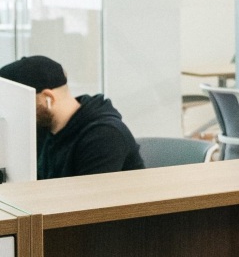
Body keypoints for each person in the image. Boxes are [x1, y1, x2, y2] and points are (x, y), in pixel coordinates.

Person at [0, 55, 144, 179]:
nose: (16, 111)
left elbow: (88, 205)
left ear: (47, 98)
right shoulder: (44, 128)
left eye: (19, 103)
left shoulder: (104, 135)